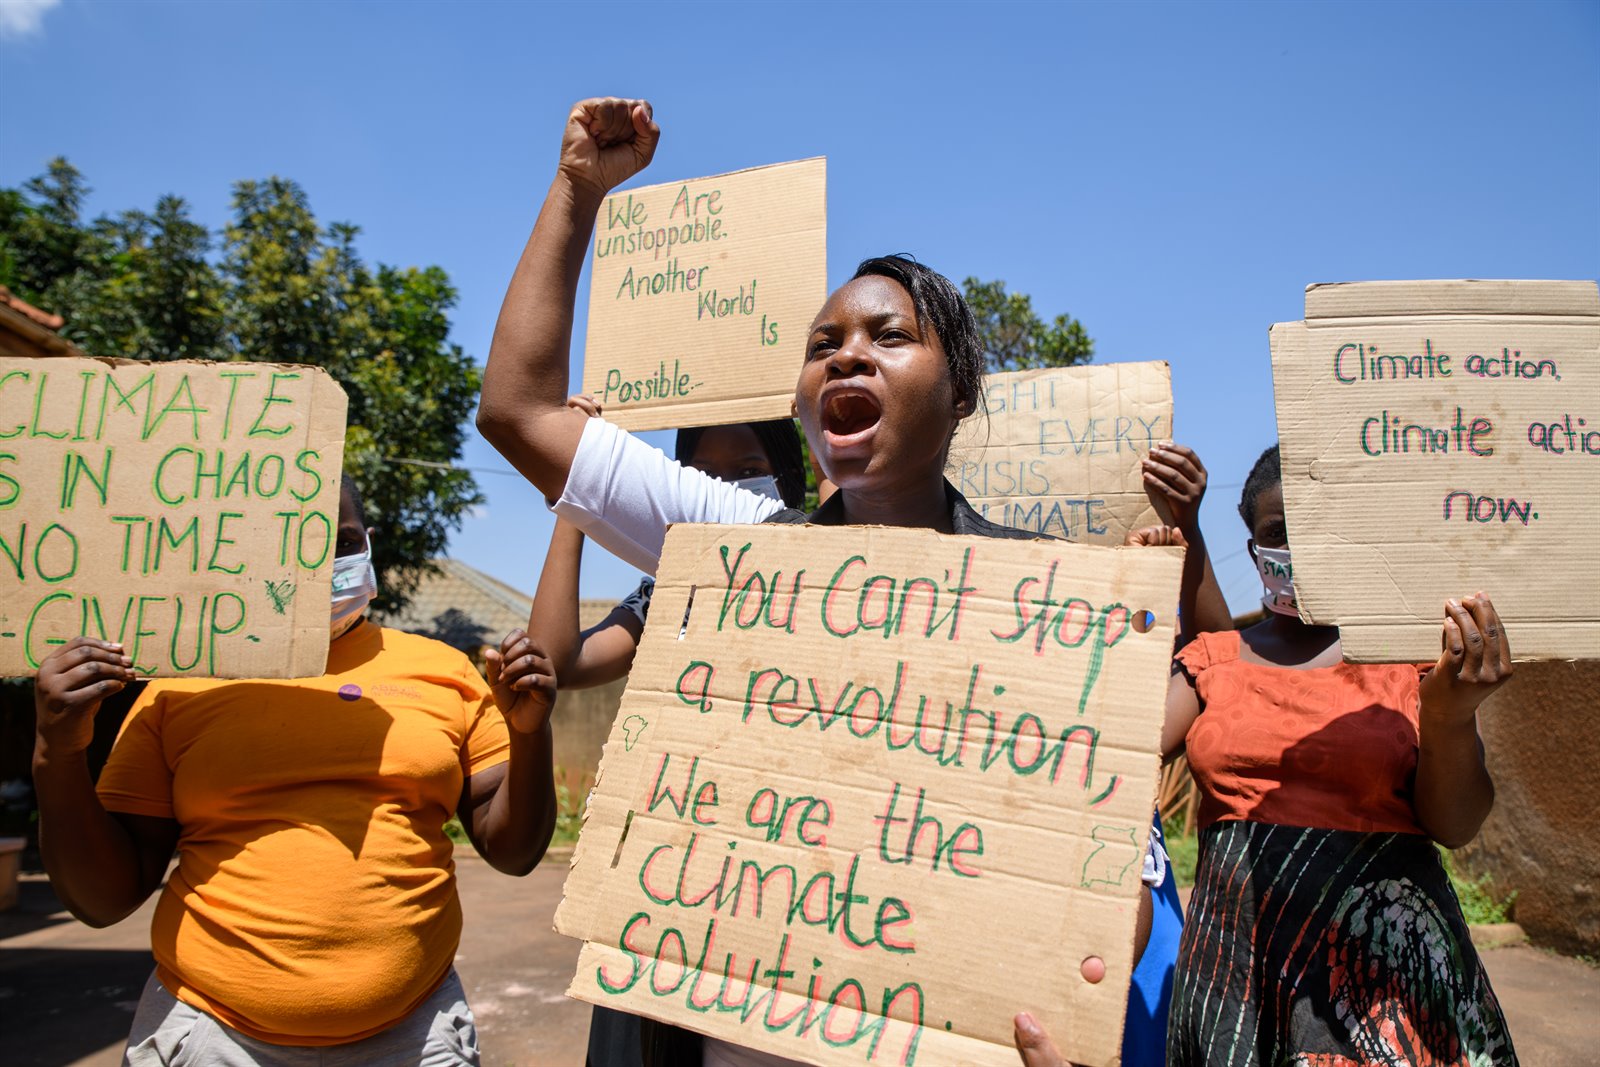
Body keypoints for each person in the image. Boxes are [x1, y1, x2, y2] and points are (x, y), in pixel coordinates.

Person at [476, 97, 1234, 1067]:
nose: (845, 352)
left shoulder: (1039, 604)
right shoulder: (735, 550)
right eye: (822, 341)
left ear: (958, 390)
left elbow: (1092, 895)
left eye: (887, 336)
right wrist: (578, 189)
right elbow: (519, 409)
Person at [31, 478, 561, 1065]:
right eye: (292, 543)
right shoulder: (180, 684)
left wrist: (530, 733)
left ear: (369, 544)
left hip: (415, 1035)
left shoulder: (446, 672)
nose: (317, 563)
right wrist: (58, 753)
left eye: (339, 541)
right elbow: (103, 900)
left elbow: (512, 851)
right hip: (213, 1036)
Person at [1158, 445, 1518, 1065]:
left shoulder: (1411, 661)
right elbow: (1107, 746)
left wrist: (1449, 715)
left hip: (1385, 990)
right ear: (1253, 549)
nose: (1302, 548)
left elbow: (1456, 825)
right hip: (1238, 976)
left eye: (1319, 530)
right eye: (1279, 533)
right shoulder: (1215, 659)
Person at [536, 395, 813, 689]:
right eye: (703, 477)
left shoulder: (817, 572)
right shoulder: (667, 598)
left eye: (749, 472)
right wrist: (577, 480)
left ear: (789, 478)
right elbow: (559, 665)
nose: (721, 494)